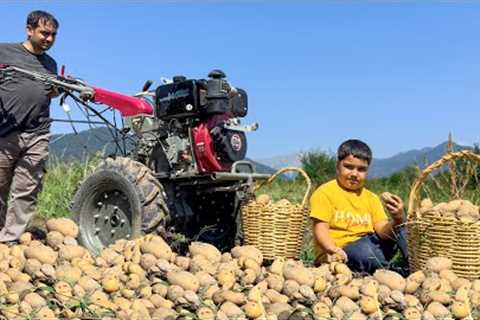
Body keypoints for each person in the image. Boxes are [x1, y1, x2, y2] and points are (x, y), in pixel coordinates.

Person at [0, 10, 59, 243]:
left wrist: (56, 89)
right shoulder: (5, 52)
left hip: (38, 132)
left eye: (53, 35)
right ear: (29, 30)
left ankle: (10, 238)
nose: (49, 39)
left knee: (27, 188)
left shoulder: (50, 64)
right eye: (45, 33)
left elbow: (48, 93)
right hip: (5, 132)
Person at [310, 139, 408, 274]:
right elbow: (320, 228)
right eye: (348, 167)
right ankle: (390, 271)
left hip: (371, 244)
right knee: (363, 251)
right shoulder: (325, 192)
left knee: (404, 227)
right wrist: (333, 249)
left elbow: (382, 231)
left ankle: (415, 263)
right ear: (338, 166)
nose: (354, 174)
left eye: (361, 169)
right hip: (342, 251)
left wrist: (397, 219)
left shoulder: (371, 197)